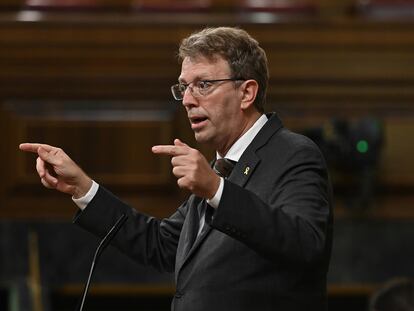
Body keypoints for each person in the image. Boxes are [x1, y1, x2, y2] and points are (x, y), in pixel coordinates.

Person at [20, 27, 333, 311]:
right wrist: (83, 188)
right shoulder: (222, 167)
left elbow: (306, 244)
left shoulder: (293, 153)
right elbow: (162, 244)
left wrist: (216, 190)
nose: (187, 100)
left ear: (247, 93)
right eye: (184, 87)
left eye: (203, 84)